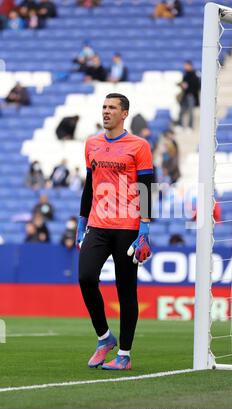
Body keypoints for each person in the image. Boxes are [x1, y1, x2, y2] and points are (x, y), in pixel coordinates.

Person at [77, 93, 153, 370]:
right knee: (85, 277)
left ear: (125, 114)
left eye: (112, 108)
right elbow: (89, 185)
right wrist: (81, 222)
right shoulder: (91, 143)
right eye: (104, 107)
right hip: (97, 225)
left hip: (127, 228)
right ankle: (104, 338)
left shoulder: (139, 145)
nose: (106, 111)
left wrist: (144, 227)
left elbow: (147, 186)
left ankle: (124, 354)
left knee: (125, 291)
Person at [177, 60, 201, 130]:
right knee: (181, 111)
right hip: (185, 96)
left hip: (191, 96)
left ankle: (190, 126)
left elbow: (197, 86)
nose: (185, 67)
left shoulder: (195, 74)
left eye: (187, 65)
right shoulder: (186, 74)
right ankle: (180, 125)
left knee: (191, 112)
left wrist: (188, 87)